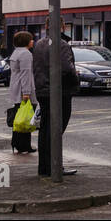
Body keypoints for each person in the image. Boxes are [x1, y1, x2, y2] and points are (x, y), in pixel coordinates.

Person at [33, 30, 78, 178]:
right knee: (56, 129)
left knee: (45, 129)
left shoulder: (39, 44)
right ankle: (55, 166)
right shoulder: (62, 44)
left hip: (43, 91)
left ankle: (44, 167)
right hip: (60, 92)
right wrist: (75, 79)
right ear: (62, 26)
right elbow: (67, 68)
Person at [7, 31, 37, 154]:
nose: (33, 41)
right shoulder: (26, 54)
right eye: (31, 39)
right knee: (26, 117)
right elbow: (26, 74)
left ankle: (17, 143)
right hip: (22, 89)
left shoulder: (16, 52)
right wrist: (27, 92)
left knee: (19, 117)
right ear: (25, 41)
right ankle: (24, 145)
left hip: (15, 87)